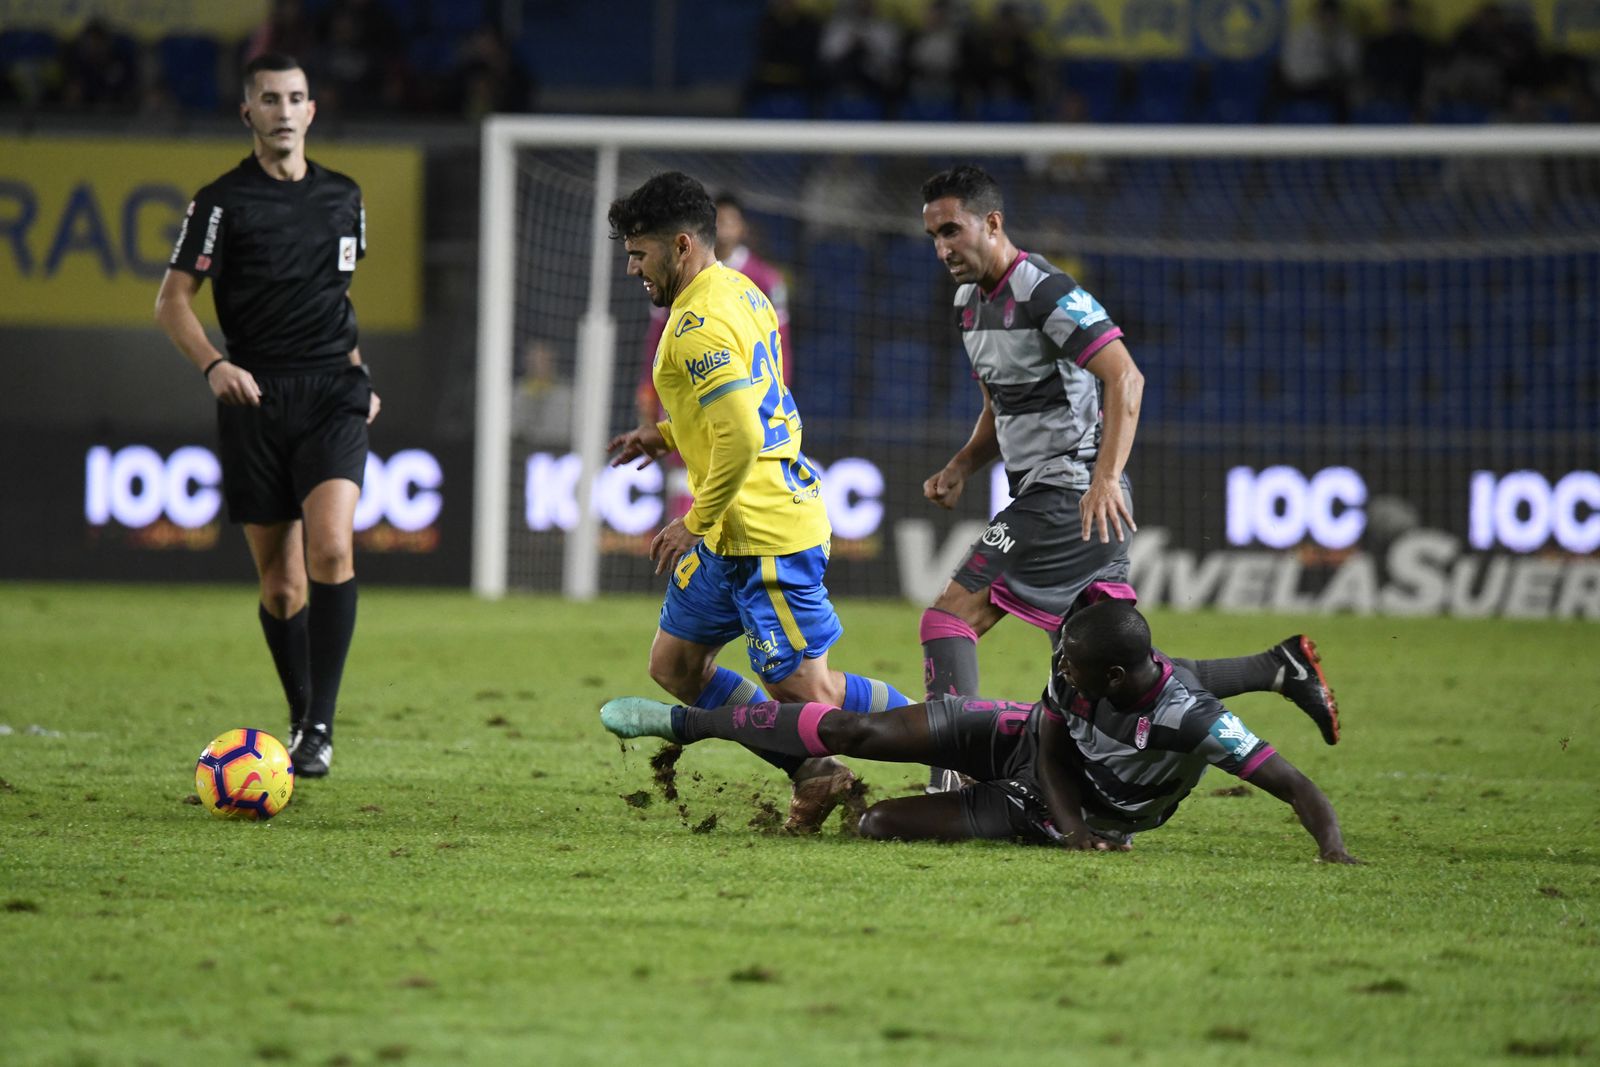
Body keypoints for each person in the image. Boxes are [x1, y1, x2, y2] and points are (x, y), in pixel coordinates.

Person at [915, 164, 1339, 792]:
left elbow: (1126, 377)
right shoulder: (968, 307)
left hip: (1072, 495)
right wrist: (961, 464)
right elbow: (1001, 404)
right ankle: (1276, 668)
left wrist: (1105, 476)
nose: (943, 248)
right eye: (933, 236)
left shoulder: (1047, 292)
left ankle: (950, 780)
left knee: (949, 619)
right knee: (1104, 670)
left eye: (952, 230)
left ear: (992, 223)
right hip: (1064, 502)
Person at [606, 171, 910, 832]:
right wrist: (663, 434)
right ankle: (813, 770)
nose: (632, 267)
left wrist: (693, 519)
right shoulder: (742, 289)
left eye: (639, 253)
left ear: (680, 245)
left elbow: (743, 433)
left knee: (816, 697)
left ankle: (952, 736)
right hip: (731, 529)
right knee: (676, 663)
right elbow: (744, 400)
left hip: (764, 528)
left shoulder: (695, 324)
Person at [601, 600, 1359, 863]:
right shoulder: (1076, 679)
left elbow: (1293, 783)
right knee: (856, 728)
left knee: (875, 825)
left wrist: (1334, 850)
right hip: (1021, 748)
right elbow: (1055, 739)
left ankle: (1276, 665)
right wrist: (1072, 821)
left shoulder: (1195, 720)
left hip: (1037, 812)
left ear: (1121, 680)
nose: (1060, 669)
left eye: (1075, 665)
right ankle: (686, 721)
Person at [154, 53, 377, 778]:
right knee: (282, 587)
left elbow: (333, 299)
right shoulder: (221, 202)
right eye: (269, 99)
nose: (284, 110)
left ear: (313, 110)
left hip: (332, 396)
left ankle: (319, 726)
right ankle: (300, 708)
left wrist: (354, 369)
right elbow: (171, 302)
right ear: (247, 113)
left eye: (297, 97)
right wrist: (216, 366)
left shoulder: (346, 196)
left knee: (333, 549)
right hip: (256, 397)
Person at [633, 192, 790, 522]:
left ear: (743, 227)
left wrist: (776, 393)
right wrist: (648, 393)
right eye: (717, 221)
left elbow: (780, 345)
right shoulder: (676, 275)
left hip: (740, 402)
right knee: (684, 494)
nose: (724, 228)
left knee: (735, 501)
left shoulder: (764, 280)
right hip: (689, 404)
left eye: (730, 221)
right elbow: (655, 343)